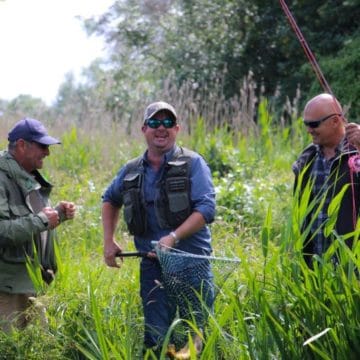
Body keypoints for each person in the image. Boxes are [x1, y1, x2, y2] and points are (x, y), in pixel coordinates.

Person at [102, 101, 216, 356]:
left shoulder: (193, 163)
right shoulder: (131, 170)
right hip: (153, 267)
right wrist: (108, 241)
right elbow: (110, 199)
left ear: (177, 129)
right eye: (154, 123)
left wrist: (174, 237)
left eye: (167, 123)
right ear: (144, 129)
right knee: (156, 338)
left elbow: (206, 210)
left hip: (192, 265)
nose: (160, 128)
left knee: (195, 337)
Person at [0, 118, 76, 332]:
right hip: (7, 291)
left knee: (39, 349)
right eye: (42, 146)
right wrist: (43, 219)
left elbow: (32, 225)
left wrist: (58, 215)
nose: (47, 153)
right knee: (10, 351)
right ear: (22, 145)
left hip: (33, 284)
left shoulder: (26, 176)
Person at [292, 93, 360, 268]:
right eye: (306, 124)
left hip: (352, 266)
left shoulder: (356, 152)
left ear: (335, 121)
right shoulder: (307, 159)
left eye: (314, 124)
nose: (309, 130)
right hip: (316, 267)